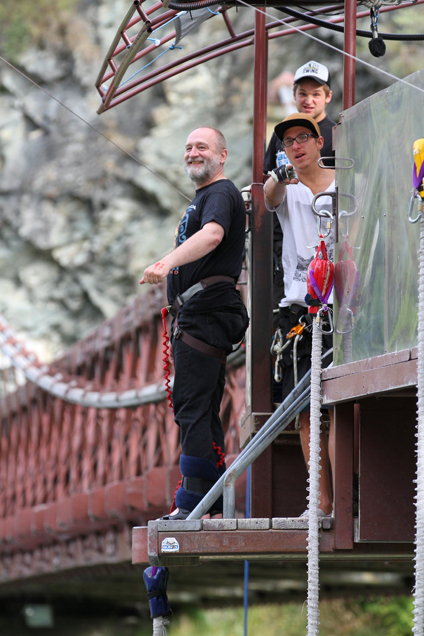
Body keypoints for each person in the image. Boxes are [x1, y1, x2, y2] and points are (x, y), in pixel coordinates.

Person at [140, 126, 249, 520]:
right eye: (187, 147)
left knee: (192, 406)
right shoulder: (205, 196)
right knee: (198, 406)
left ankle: (191, 502)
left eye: (201, 146)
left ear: (222, 155)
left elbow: (214, 235)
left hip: (205, 314)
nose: (192, 153)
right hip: (199, 314)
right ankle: (211, 500)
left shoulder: (220, 192)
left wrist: (167, 262)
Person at [264, 113, 335, 517]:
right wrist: (278, 174)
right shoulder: (286, 191)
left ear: (319, 141)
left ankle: (341, 496)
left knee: (341, 404)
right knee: (307, 409)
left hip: (343, 304)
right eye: (288, 140)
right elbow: (269, 196)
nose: (296, 145)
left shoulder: (344, 185)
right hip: (301, 311)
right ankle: (320, 502)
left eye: (303, 137)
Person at [264, 60, 335, 174]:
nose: (308, 101)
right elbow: (266, 176)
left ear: (328, 96)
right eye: (303, 94)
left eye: (316, 94)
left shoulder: (337, 135)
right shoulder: (281, 132)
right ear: (294, 95)